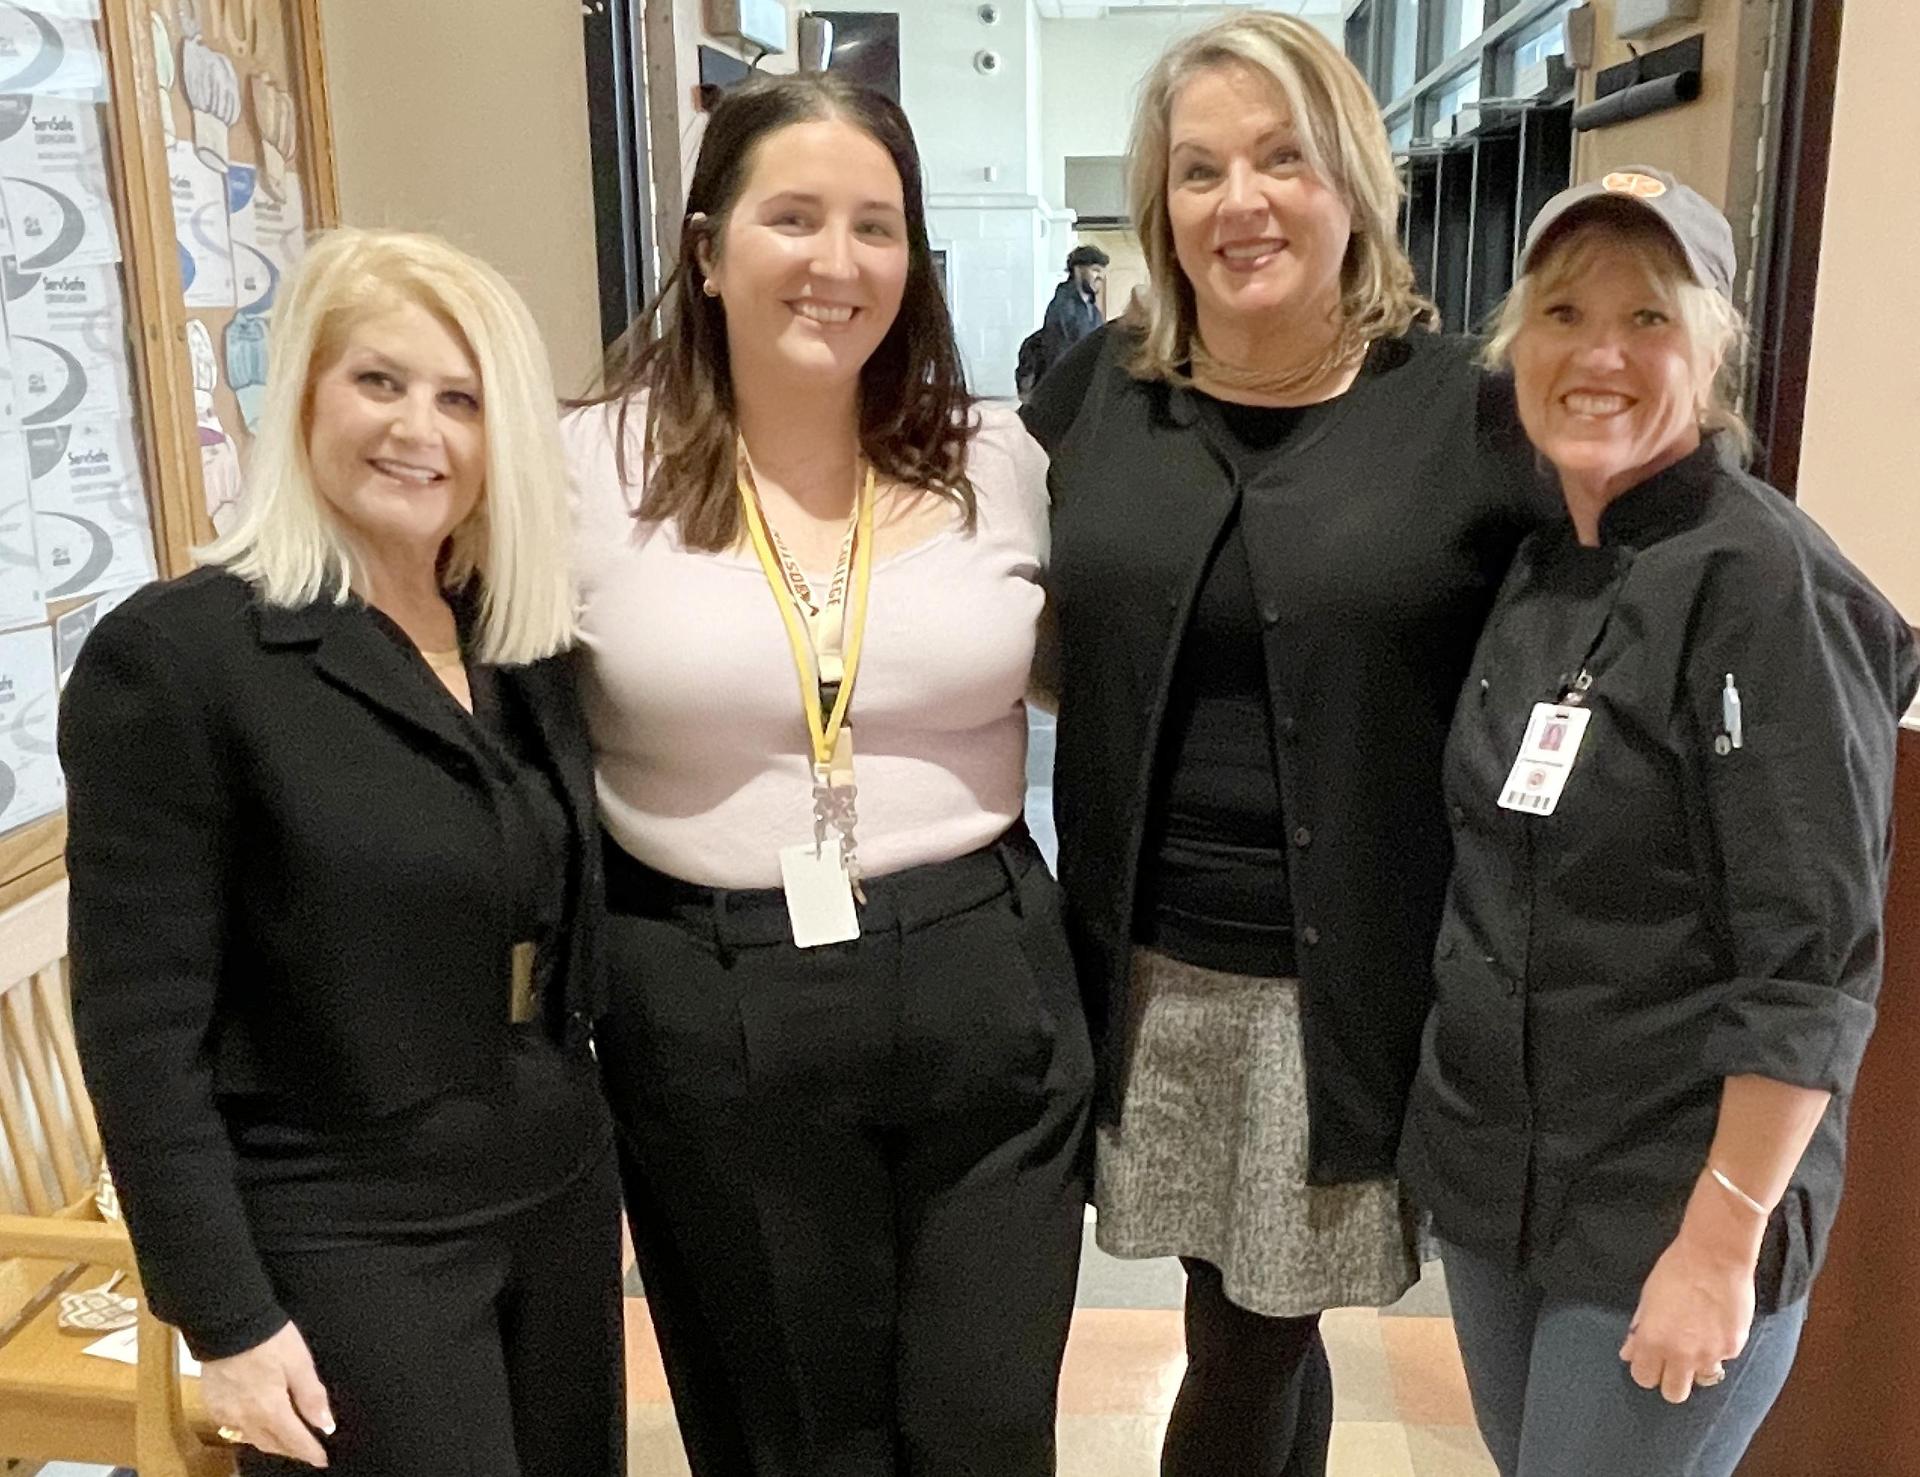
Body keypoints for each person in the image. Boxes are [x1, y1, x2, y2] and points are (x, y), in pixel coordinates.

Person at [1019, 13, 1549, 1476]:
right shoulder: (1101, 391)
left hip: (1345, 985)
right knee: (1251, 1308)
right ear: (1159, 204)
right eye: (1199, 170)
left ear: (1353, 183)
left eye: (1281, 159)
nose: (1239, 200)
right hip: (1139, 964)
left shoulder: (1466, 409)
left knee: (1253, 1332)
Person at [563, 74, 1093, 1477]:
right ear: (705, 249)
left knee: (987, 1427)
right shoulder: (583, 469)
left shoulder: (999, 456)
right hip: (712, 991)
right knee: (796, 1438)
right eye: (792, 217)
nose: (837, 261)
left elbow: (1097, 663)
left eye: (876, 225)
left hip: (983, 972)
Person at [60, 229, 624, 1477]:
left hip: (552, 1186)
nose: (419, 429)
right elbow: (141, 1029)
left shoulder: (515, 640)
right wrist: (224, 1317)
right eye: (380, 381)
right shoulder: (182, 656)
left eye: (461, 399)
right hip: (345, 1229)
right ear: (305, 392)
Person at [1399, 167, 1919, 1477]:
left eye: (1648, 318)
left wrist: (1721, 1241)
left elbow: (1809, 967)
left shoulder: (1770, 587)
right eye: (1565, 314)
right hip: (1508, 1187)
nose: (1600, 356)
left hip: (1669, 1206)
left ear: (1713, 349)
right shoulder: (1542, 561)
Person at [1027, 244, 1108, 391]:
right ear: (1078, 270)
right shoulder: (1063, 306)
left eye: (1102, 272)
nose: (1100, 277)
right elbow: (1059, 355)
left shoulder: (1092, 310)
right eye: (1095, 270)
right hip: (1067, 389)